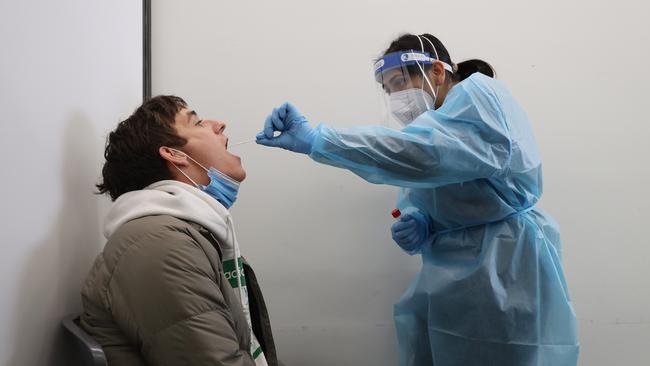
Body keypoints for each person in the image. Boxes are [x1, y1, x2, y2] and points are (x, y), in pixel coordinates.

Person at [256, 33, 579, 365]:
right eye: (387, 88)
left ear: (438, 71)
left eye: (399, 81)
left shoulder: (479, 95)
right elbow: (421, 186)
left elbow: (428, 156)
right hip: (452, 280)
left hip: (509, 269)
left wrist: (320, 141)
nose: (396, 95)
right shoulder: (433, 126)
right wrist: (420, 220)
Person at [81, 95, 278, 366]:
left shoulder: (176, 235)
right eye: (197, 122)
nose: (219, 124)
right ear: (174, 154)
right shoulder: (160, 246)